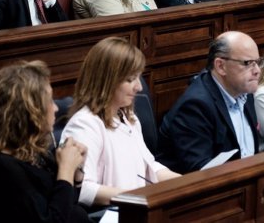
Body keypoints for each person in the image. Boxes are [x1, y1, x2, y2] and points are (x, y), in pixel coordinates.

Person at [60, 37, 180, 207]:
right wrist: (136, 199)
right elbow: (83, 188)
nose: (139, 87)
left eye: (139, 77)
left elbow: (149, 168)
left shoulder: (128, 118)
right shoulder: (84, 124)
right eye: (130, 79)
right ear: (106, 81)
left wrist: (186, 183)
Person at [0, 60, 90, 223]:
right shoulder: (1, 168)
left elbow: (66, 205)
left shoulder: (32, 152)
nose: (56, 108)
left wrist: (76, 173)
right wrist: (65, 170)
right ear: (30, 111)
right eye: (50, 101)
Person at [157, 31, 260, 173]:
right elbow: (200, 171)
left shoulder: (244, 92)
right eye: (248, 63)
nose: (257, 71)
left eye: (258, 62)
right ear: (220, 66)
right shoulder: (195, 106)